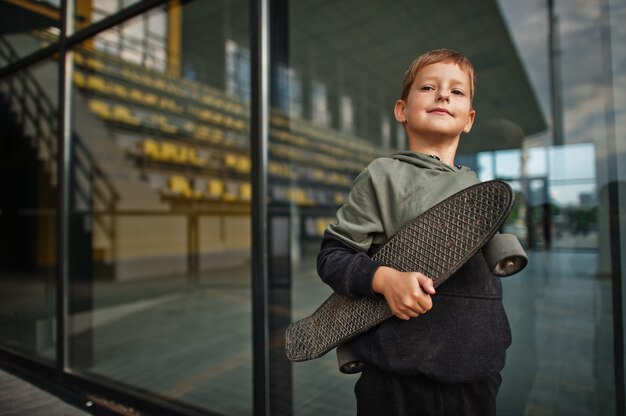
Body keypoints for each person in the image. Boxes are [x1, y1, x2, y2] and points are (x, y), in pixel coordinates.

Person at [317, 49, 511, 416]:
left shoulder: (475, 185)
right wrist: (384, 279)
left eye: (457, 92)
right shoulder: (382, 175)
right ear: (402, 110)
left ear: (468, 119)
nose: (442, 95)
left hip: (477, 370)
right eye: (428, 87)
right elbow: (332, 258)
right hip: (399, 375)